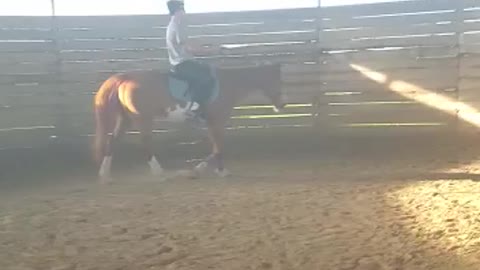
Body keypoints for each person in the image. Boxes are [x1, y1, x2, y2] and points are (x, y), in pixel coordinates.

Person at [166, 0, 216, 124]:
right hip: (182, 63)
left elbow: (185, 45)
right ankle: (194, 110)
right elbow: (188, 48)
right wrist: (211, 51)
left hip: (180, 62)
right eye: (182, 7)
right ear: (178, 10)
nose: (184, 11)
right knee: (206, 77)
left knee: (206, 70)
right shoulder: (178, 23)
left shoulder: (174, 23)